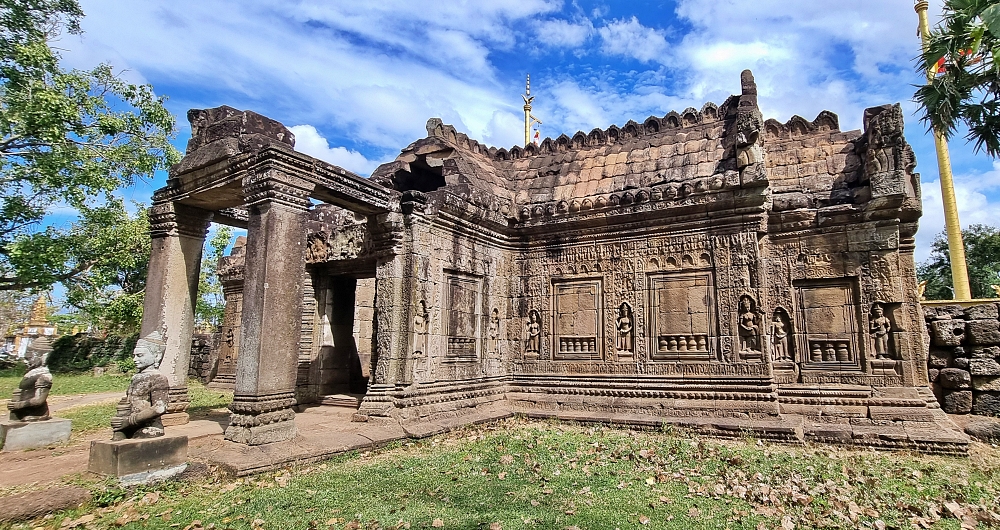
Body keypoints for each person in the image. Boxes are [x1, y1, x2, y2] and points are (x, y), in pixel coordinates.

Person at [111, 331, 170, 440]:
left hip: (149, 428)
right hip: (130, 424)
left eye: (140, 355)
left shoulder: (159, 379)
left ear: (157, 356)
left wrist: (130, 421)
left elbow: (160, 407)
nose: (135, 359)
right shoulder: (136, 377)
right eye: (134, 355)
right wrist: (121, 417)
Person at [7, 338, 53, 422]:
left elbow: (39, 400)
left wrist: (18, 405)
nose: (26, 360)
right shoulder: (32, 372)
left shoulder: (44, 376)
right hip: (21, 409)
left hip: (36, 412)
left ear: (43, 357)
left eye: (30, 357)